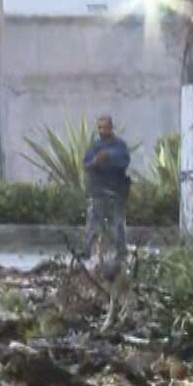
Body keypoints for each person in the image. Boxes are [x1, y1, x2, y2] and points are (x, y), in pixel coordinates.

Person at [81, 115, 131, 271]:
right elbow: (86, 164)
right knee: (92, 224)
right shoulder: (95, 146)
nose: (102, 131)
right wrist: (95, 162)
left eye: (105, 127)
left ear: (111, 127)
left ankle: (121, 255)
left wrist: (108, 157)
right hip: (98, 192)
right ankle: (88, 252)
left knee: (117, 225)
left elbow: (124, 161)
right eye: (100, 128)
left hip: (116, 192)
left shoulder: (119, 145)